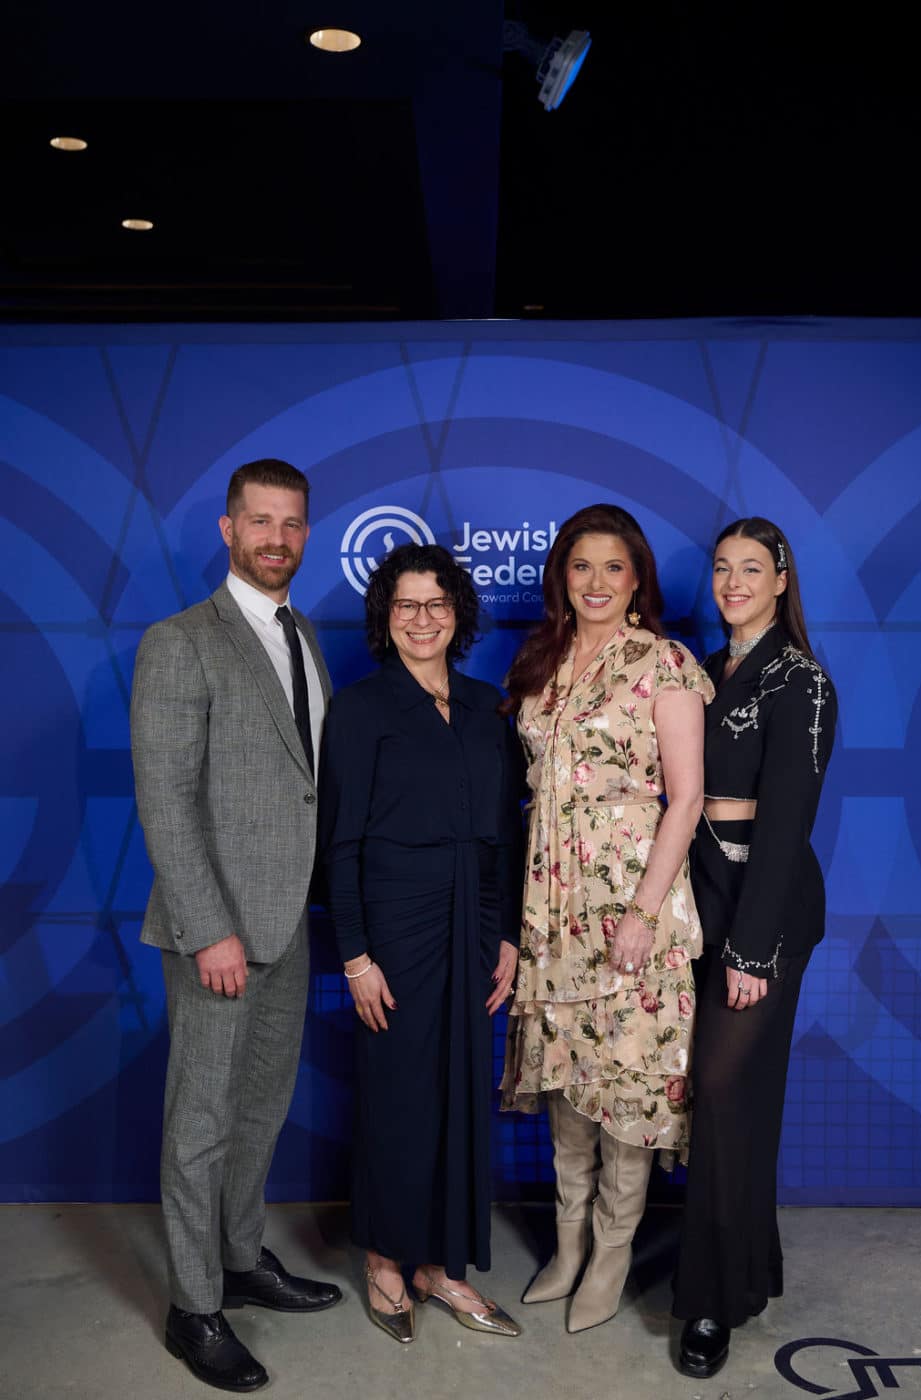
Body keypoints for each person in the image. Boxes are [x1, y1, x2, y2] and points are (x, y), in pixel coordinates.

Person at [130, 459, 340, 1393]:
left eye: (291, 524)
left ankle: (241, 1258)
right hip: (214, 933)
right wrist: (208, 927)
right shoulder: (181, 642)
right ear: (227, 529)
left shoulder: (306, 636)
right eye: (260, 521)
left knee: (260, 1109)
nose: (276, 539)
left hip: (288, 925)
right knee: (202, 1121)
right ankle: (193, 1306)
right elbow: (166, 799)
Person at [500, 503, 713, 1333]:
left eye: (612, 567)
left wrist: (642, 913)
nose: (595, 582)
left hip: (631, 909)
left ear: (636, 580)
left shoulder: (663, 662)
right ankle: (567, 1247)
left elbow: (685, 798)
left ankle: (611, 1254)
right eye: (580, 565)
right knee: (566, 1086)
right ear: (562, 575)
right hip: (552, 911)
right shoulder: (541, 661)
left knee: (625, 1090)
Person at [318, 543, 523, 1345]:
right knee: (398, 1096)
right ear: (385, 616)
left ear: (457, 613)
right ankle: (384, 1261)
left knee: (462, 1097)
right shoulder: (361, 709)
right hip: (394, 924)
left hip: (472, 921)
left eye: (436, 603)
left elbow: (505, 833)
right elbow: (340, 843)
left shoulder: (484, 706)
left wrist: (504, 935)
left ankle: (441, 1268)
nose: (422, 618)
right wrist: (356, 956)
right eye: (406, 604)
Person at [672, 517, 837, 1379]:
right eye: (721, 567)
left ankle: (711, 1301)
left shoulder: (800, 681)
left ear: (780, 580)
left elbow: (782, 830)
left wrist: (750, 952)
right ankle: (746, 1265)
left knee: (727, 1098)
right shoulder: (705, 671)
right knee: (715, 1102)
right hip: (696, 903)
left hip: (760, 917)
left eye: (750, 568)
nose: (732, 582)